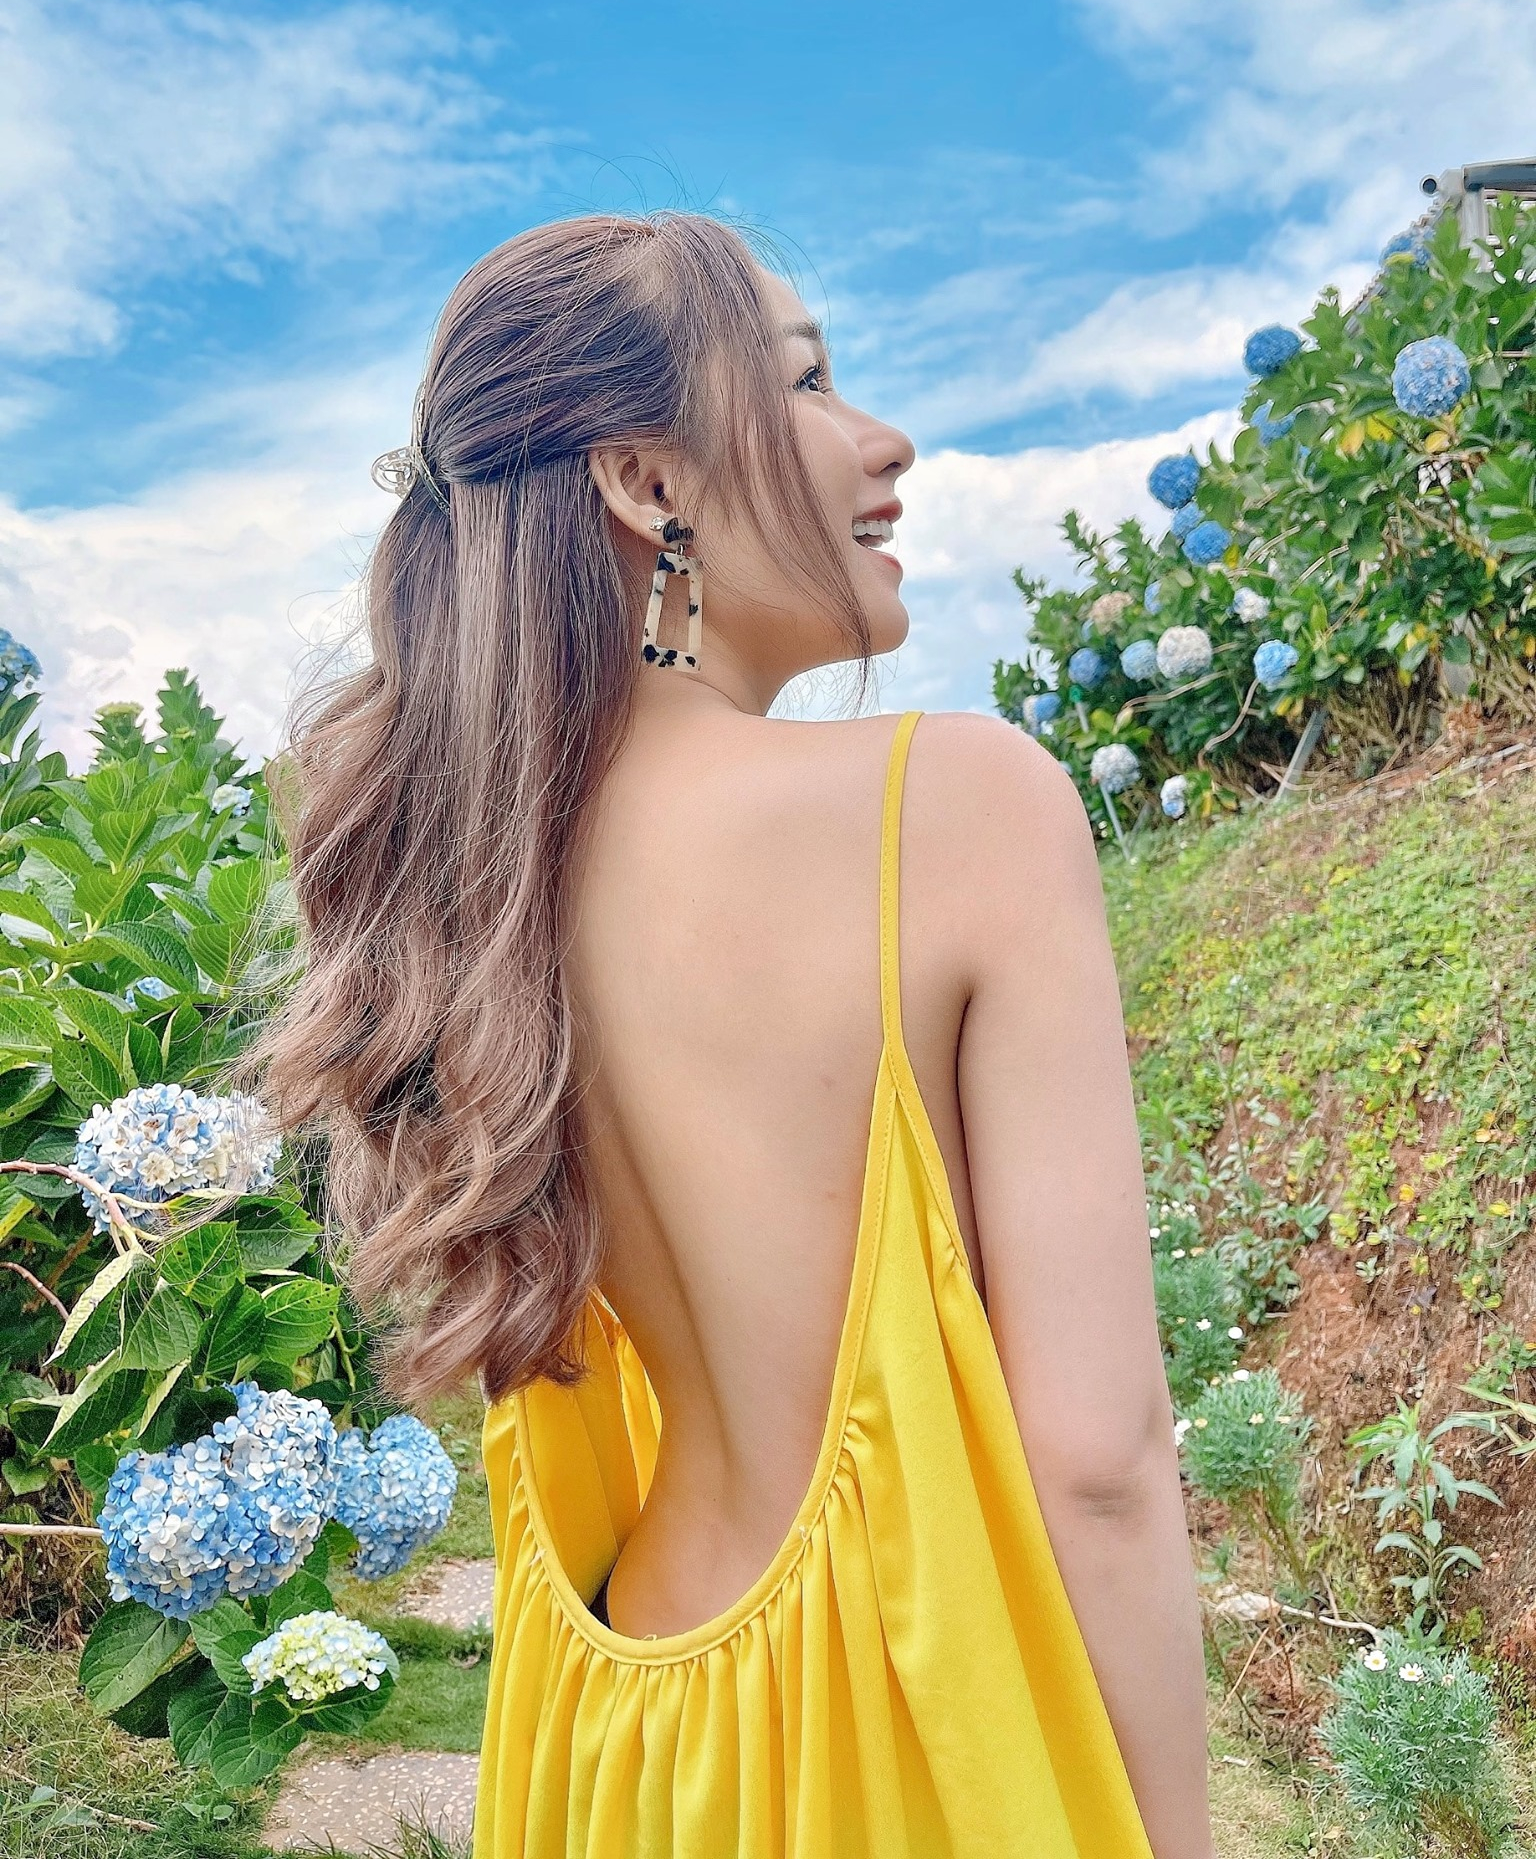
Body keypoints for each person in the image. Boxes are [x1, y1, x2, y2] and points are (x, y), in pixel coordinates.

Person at [257, 212, 1213, 1858]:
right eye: (812, 380)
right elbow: (1101, 1458)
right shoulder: (962, 808)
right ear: (650, 484)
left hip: (621, 1734)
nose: (883, 439)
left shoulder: (484, 906)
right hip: (923, 1735)